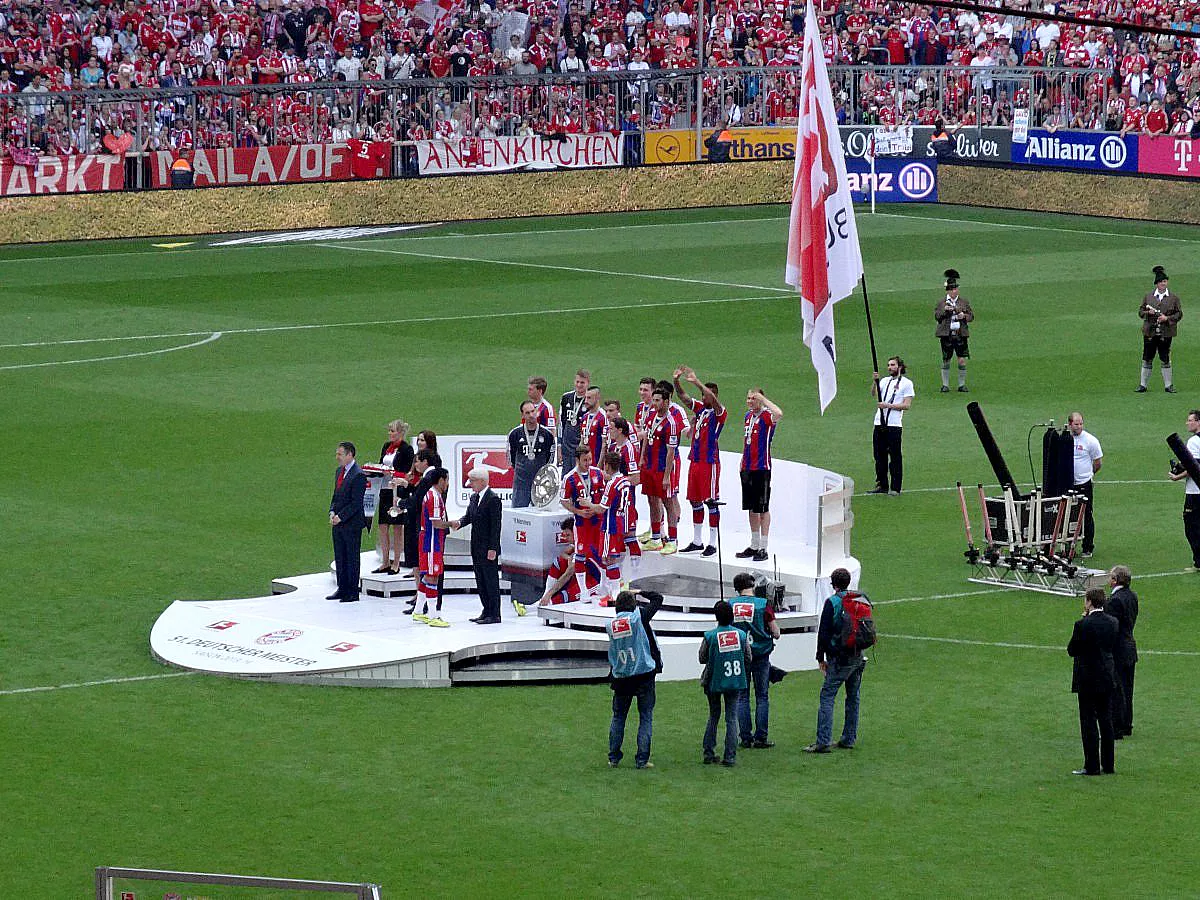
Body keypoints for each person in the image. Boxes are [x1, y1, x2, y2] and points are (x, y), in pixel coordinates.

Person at [805, 568, 868, 753]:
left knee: (827, 696)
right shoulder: (858, 599)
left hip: (839, 657)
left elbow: (823, 633)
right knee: (853, 697)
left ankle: (823, 741)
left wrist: (820, 657)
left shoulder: (832, 602)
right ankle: (849, 738)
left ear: (833, 584)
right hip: (857, 654)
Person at [606, 588, 664, 769]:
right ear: (634, 606)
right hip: (643, 675)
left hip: (621, 676)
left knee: (618, 717)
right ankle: (642, 759)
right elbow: (658, 598)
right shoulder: (639, 619)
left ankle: (613, 757)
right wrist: (639, 591)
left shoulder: (611, 625)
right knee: (645, 717)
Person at [674, 366, 727, 555]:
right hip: (695, 460)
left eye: (707, 395)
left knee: (711, 501)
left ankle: (712, 543)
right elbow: (684, 398)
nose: (703, 398)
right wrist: (677, 382)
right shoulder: (701, 411)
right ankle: (697, 541)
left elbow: (712, 399)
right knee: (694, 501)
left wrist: (697, 382)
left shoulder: (719, 413)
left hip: (709, 462)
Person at [1067, 587, 1119, 775]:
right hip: (1107, 675)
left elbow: (1072, 649)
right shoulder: (1113, 622)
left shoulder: (1083, 624)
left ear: (1089, 602)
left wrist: (1083, 618)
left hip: (1088, 678)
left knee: (1088, 721)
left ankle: (1092, 765)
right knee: (1106, 720)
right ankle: (1109, 764)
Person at [451, 467, 510, 624]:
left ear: (482, 481)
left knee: (490, 580)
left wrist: (493, 548)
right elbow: (469, 516)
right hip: (476, 546)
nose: (470, 484)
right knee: (480, 579)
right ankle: (486, 609)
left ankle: (495, 613)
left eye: (473, 481)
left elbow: (496, 526)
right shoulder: (474, 498)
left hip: (488, 548)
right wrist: (459, 523)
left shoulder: (493, 499)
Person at [731, 572, 781, 749]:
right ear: (752, 586)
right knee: (762, 696)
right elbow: (776, 632)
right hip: (761, 654)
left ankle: (745, 737)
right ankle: (761, 737)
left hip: (739, 655)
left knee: (742, 697)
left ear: (737, 588)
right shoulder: (763, 605)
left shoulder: (730, 605)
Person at [699, 600, 752, 766]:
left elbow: (702, 658)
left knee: (714, 715)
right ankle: (730, 757)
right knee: (731, 718)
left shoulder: (710, 636)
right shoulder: (741, 635)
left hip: (713, 680)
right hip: (735, 681)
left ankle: (709, 752)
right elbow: (748, 657)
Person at [736, 387, 783, 562]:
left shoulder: (766, 416)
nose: (749, 401)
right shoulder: (748, 417)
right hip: (747, 466)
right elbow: (745, 440)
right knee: (750, 507)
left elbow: (779, 413)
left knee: (762, 508)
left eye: (753, 398)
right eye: (748, 398)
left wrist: (764, 399)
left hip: (762, 467)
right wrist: (742, 461)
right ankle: (754, 544)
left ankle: (764, 547)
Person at [586, 450, 640, 602]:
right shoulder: (625, 481)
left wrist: (588, 504)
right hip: (622, 522)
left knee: (609, 559)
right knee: (613, 557)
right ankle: (614, 589)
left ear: (608, 466)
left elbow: (601, 509)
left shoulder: (612, 484)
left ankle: (615, 594)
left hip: (610, 525)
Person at [561, 446, 606, 603]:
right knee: (580, 555)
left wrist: (596, 508)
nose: (588, 463)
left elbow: (604, 495)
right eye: (585, 460)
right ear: (577, 460)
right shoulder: (570, 478)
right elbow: (564, 501)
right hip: (581, 523)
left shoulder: (598, 473)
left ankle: (604, 586)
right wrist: (578, 512)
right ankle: (584, 591)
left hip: (598, 521)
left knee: (601, 552)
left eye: (590, 459)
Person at [638, 386, 679, 553]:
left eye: (657, 400)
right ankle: (656, 537)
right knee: (652, 501)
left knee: (668, 503)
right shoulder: (651, 417)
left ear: (666, 402)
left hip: (663, 468)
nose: (654, 404)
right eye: (653, 400)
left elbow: (671, 452)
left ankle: (673, 540)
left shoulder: (671, 423)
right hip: (650, 466)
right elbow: (647, 439)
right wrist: (642, 458)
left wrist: (667, 476)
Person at [373, 420, 415, 575]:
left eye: (393, 431)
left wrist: (390, 472)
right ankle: (385, 561)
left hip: (397, 491)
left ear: (401, 433)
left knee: (397, 527)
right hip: (384, 489)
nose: (390, 433)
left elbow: (406, 472)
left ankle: (396, 561)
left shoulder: (407, 449)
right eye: (389, 431)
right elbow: (380, 464)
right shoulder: (386, 447)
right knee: (383, 526)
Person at [869, 357, 914, 496]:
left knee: (894, 456)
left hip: (893, 425)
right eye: (888, 365)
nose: (889, 367)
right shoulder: (884, 381)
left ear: (899, 367)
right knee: (879, 456)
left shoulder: (906, 383)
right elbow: (873, 393)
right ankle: (881, 484)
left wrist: (888, 406)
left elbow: (906, 405)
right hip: (879, 423)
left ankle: (895, 487)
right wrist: (875, 381)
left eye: (892, 365)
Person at [328, 441, 367, 602]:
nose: (338, 457)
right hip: (338, 522)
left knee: (351, 556)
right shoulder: (339, 472)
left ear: (350, 455)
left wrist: (341, 516)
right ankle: (342, 587)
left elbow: (356, 503)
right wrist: (332, 511)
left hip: (351, 523)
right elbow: (336, 496)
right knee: (340, 555)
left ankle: (352, 590)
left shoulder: (358, 475)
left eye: (340, 454)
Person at [414, 467, 451, 627]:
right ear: (441, 480)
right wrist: (452, 524)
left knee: (427, 576)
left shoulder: (432, 494)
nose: (448, 483)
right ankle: (433, 615)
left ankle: (417, 612)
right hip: (431, 541)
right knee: (432, 576)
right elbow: (436, 523)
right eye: (447, 480)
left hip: (430, 540)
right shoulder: (434, 498)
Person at [1137, 265, 1182, 393]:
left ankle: (1168, 385)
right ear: (1157, 283)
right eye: (1161, 282)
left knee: (1165, 358)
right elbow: (1140, 312)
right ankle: (1143, 385)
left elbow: (1179, 314)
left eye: (1165, 281)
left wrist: (1167, 319)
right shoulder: (1148, 297)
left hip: (1166, 332)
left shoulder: (1174, 298)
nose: (1163, 284)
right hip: (1150, 332)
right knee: (1147, 357)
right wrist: (1148, 312)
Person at [1106, 565, 1138, 739]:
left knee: (1117, 689)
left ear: (1116, 580)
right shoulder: (1132, 595)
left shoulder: (1114, 601)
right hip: (1129, 647)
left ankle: (1117, 726)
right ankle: (1126, 723)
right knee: (1127, 688)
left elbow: (1112, 627)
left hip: (1118, 649)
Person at [538, 518, 602, 604]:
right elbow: (563, 554)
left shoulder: (584, 546)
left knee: (565, 596)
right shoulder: (577, 541)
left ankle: (536, 605)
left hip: (595, 581)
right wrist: (569, 558)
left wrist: (550, 594)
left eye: (568, 535)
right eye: (564, 535)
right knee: (558, 561)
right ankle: (544, 596)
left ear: (575, 532)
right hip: (583, 576)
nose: (565, 538)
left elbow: (568, 574)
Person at [401, 449, 441, 585]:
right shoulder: (430, 476)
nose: (415, 465)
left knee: (422, 560)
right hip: (426, 524)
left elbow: (417, 500)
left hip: (423, 525)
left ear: (425, 461)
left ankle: (423, 594)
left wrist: (400, 504)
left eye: (417, 461)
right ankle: (421, 594)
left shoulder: (428, 478)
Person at [507, 400, 556, 508]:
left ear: (537, 411)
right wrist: (521, 470)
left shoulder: (547, 434)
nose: (531, 415)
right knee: (518, 514)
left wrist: (543, 473)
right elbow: (511, 457)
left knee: (541, 513)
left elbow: (550, 457)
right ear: (522, 415)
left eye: (533, 411)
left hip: (541, 482)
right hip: (521, 482)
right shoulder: (514, 434)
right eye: (527, 413)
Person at [1168, 409, 1200, 570]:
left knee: (1192, 527)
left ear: (1198, 422)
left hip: (1195, 492)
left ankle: (1199, 562)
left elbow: (1193, 466)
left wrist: (1176, 476)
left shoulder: (1194, 441)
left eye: (1190, 420)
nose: (1187, 423)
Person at [1067, 412, 1102, 558]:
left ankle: (1088, 547)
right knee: (1067, 516)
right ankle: (1068, 547)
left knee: (1086, 515)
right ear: (1070, 424)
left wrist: (1088, 475)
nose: (1079, 426)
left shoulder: (1090, 440)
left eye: (1081, 423)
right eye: (1076, 424)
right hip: (1068, 483)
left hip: (1084, 483)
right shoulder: (1065, 439)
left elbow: (1098, 462)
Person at [934, 268, 974, 393]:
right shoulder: (941, 302)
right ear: (949, 290)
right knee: (946, 359)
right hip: (946, 334)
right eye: (953, 289)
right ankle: (945, 385)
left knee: (962, 359)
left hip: (960, 334)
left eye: (956, 288)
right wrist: (945, 311)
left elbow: (971, 316)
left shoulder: (963, 302)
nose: (955, 291)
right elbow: (937, 316)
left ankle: (961, 385)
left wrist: (964, 316)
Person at [558, 369, 591, 472]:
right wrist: (559, 445)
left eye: (582, 382)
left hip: (581, 448)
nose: (579, 385)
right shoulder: (566, 398)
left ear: (587, 383)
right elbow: (561, 423)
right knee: (566, 477)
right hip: (566, 446)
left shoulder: (590, 400)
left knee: (580, 476)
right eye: (577, 382)